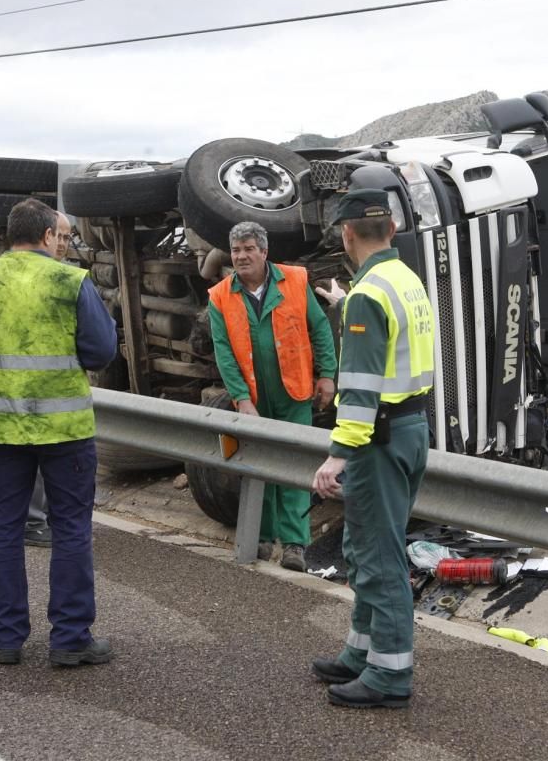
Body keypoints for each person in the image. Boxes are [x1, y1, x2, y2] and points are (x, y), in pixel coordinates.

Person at [0, 198, 118, 667]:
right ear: (47, 236)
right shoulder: (70, 281)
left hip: (1, 428)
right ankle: (70, 638)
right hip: (64, 428)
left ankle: (7, 637)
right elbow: (103, 350)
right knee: (71, 528)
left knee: (5, 526)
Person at [311, 189, 434, 709]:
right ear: (390, 230)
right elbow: (395, 347)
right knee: (366, 548)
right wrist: (346, 304)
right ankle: (360, 653)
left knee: (377, 557)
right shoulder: (402, 280)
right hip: (410, 430)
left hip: (376, 439)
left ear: (346, 234)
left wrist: (338, 453)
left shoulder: (369, 294)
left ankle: (388, 675)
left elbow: (359, 387)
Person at [207, 222, 337, 572]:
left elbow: (320, 327)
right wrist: (241, 399)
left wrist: (327, 375)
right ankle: (262, 538)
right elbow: (224, 352)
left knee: (294, 464)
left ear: (264, 252)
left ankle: (295, 544)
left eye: (249, 248)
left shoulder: (294, 281)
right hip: (252, 396)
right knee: (257, 464)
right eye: (236, 250)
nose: (241, 256)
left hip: (293, 390)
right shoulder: (220, 295)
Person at [23, 224, 74, 548]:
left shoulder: (71, 278)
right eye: (59, 236)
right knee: (34, 460)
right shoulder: (27, 279)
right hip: (29, 388)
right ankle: (33, 522)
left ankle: (44, 519)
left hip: (60, 389)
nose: (64, 243)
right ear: (45, 235)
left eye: (69, 238)